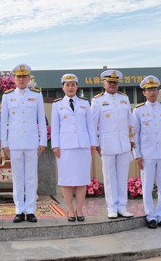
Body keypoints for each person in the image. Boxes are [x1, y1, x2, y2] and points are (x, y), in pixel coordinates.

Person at [0, 64, 47, 223]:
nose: (21, 79)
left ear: (28, 78)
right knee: (18, 177)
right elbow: (3, 122)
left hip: (32, 142)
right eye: (18, 77)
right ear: (14, 78)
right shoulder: (7, 96)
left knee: (31, 177)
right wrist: (4, 143)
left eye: (24, 76)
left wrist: (43, 141)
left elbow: (41, 119)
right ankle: (19, 210)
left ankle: (31, 210)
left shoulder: (36, 95)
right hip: (14, 143)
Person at [51, 73, 98, 222]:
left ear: (77, 86)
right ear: (62, 87)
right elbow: (55, 127)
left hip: (83, 146)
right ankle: (70, 209)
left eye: (73, 84)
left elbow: (90, 126)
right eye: (67, 84)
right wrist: (55, 145)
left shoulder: (85, 103)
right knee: (66, 180)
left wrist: (93, 144)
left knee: (81, 179)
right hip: (65, 147)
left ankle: (79, 209)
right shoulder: (57, 105)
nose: (70, 87)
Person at [133, 75, 161, 229]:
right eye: (148, 90)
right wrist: (137, 154)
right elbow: (135, 135)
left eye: (154, 89)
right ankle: (150, 215)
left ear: (158, 92)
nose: (152, 92)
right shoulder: (138, 110)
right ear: (144, 92)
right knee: (147, 186)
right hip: (147, 154)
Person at [91, 69, 135, 219]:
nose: (113, 85)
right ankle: (111, 207)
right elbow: (93, 124)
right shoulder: (97, 101)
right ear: (104, 83)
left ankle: (122, 206)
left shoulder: (124, 99)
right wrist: (96, 142)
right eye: (110, 82)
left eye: (115, 83)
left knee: (122, 176)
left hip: (123, 143)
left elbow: (130, 121)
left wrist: (132, 139)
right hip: (107, 144)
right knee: (109, 177)